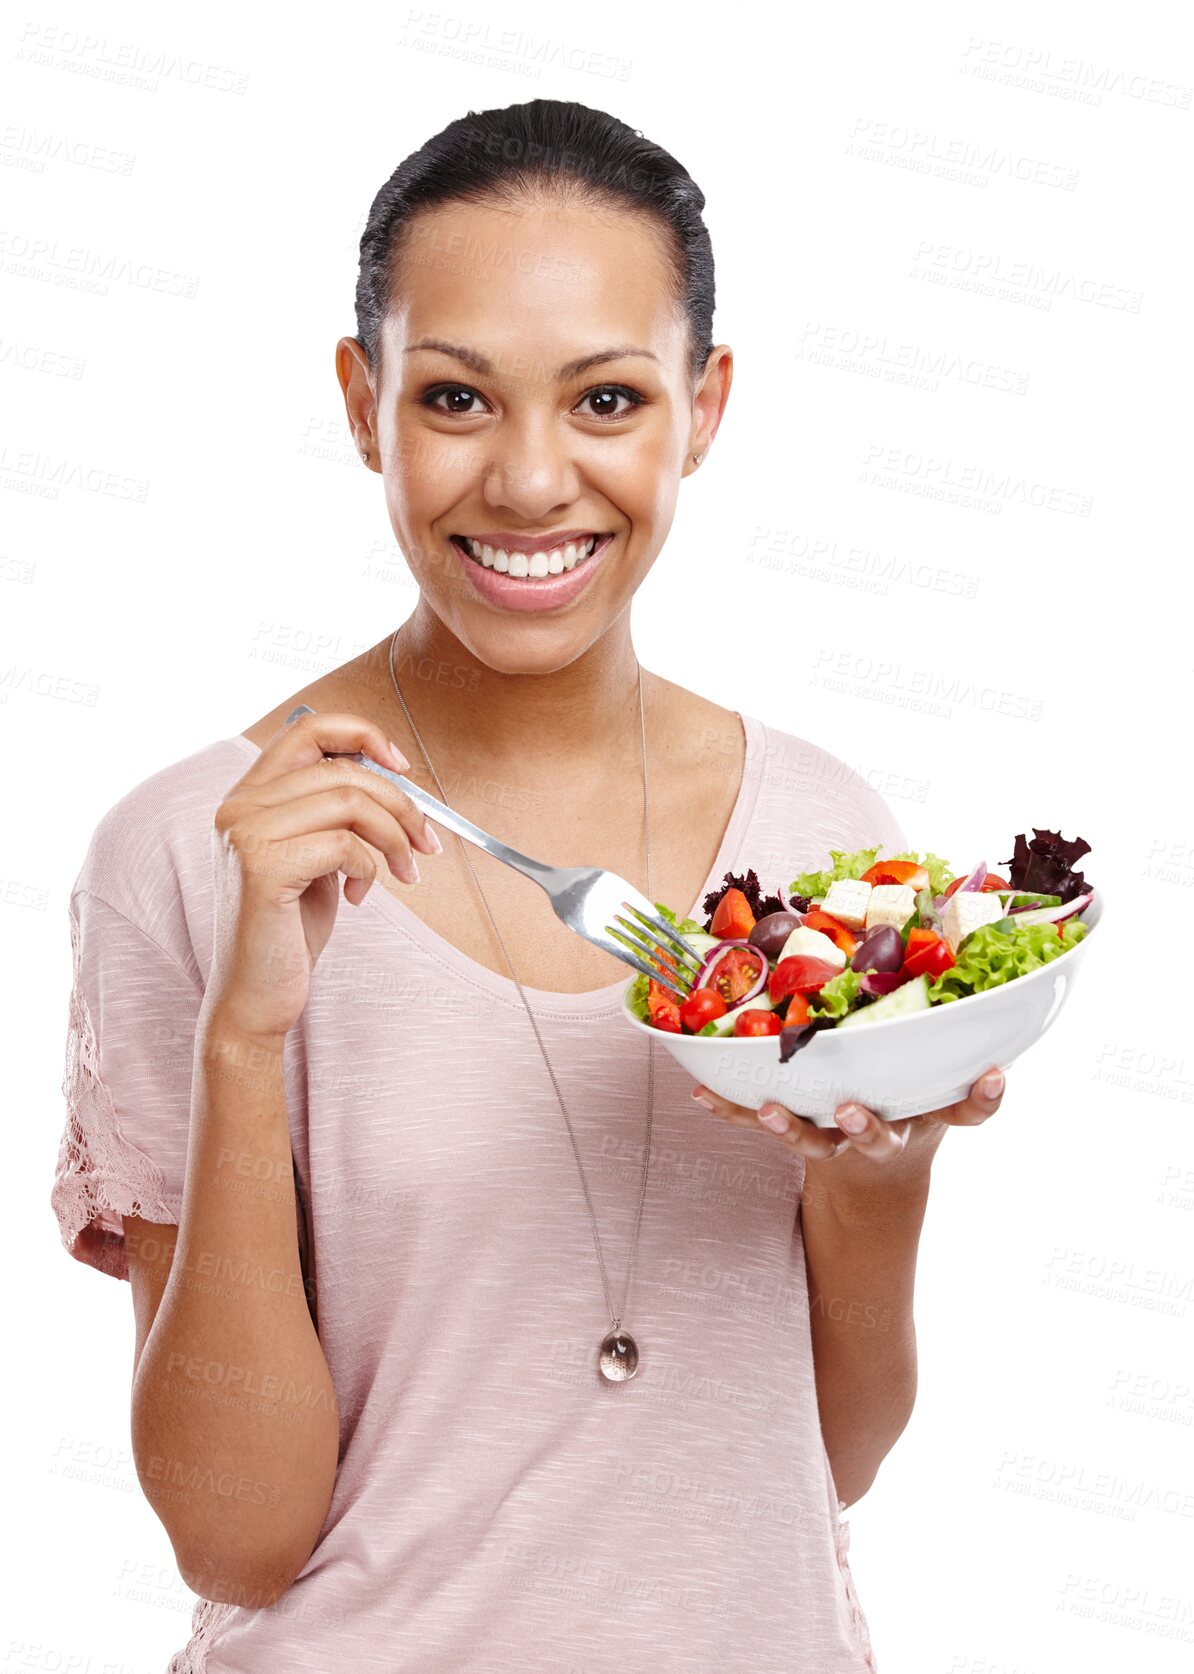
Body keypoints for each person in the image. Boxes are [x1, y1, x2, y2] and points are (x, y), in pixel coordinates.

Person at [50, 98, 1006, 1672]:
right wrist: (244, 1038)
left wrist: (879, 1164)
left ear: (702, 408)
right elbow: (235, 1535)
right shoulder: (192, 846)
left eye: (608, 398)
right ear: (364, 404)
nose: (529, 478)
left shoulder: (820, 842)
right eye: (454, 399)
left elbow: (826, 1454)